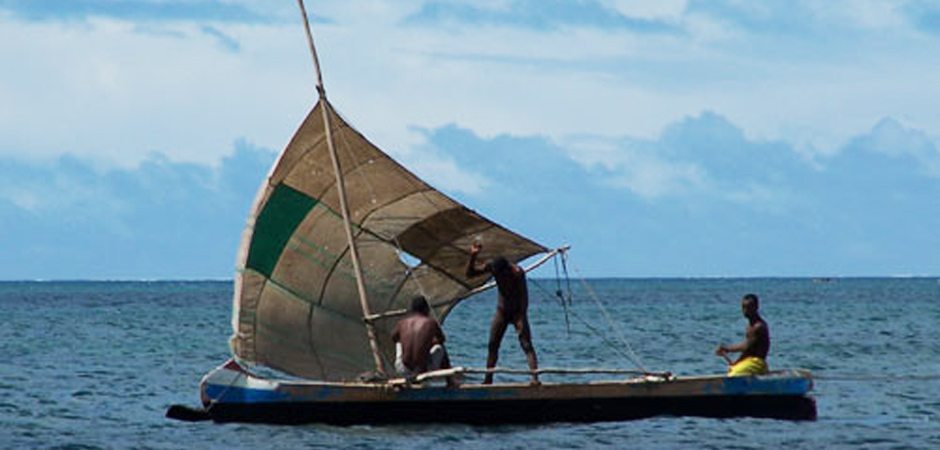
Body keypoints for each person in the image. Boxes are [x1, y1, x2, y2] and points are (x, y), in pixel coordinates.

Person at [466, 241, 540, 385]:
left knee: (526, 344)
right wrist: (473, 256)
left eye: (501, 274)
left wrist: (521, 318)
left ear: (507, 270)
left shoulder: (517, 273)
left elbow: (524, 298)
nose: (499, 277)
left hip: (518, 311)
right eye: (496, 274)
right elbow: (470, 274)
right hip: (502, 311)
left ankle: (535, 378)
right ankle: (488, 379)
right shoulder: (493, 268)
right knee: (493, 344)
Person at [391, 296, 458, 387]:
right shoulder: (431, 322)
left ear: (412, 309)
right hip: (422, 371)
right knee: (440, 347)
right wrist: (429, 343)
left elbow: (394, 338)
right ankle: (450, 381)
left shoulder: (402, 322)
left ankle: (400, 377)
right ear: (426, 309)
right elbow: (442, 339)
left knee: (399, 343)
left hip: (402, 369)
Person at [715, 293, 770, 376]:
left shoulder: (759, 326)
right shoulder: (750, 326)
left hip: (758, 363)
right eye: (743, 307)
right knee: (732, 370)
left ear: (756, 307)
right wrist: (737, 363)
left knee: (733, 375)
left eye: (749, 308)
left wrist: (727, 348)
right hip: (750, 361)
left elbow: (746, 347)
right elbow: (748, 351)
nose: (745, 311)